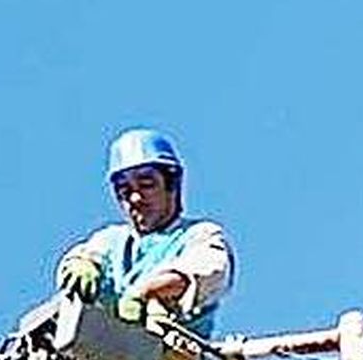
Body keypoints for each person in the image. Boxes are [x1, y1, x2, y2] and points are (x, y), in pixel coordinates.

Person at [55, 128, 234, 339]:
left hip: (174, 359)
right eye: (125, 190)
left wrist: (144, 294)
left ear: (172, 184)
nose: (135, 198)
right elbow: (83, 257)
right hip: (104, 353)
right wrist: (80, 266)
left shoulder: (199, 235)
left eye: (146, 184)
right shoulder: (110, 240)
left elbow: (209, 270)